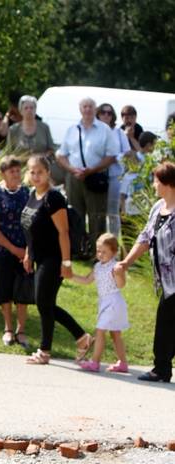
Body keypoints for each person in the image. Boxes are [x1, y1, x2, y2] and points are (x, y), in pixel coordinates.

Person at [20, 155, 92, 365]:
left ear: (48, 172)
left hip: (54, 258)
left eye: (39, 172)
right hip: (39, 257)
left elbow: (63, 232)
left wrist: (67, 263)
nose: (35, 176)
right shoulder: (32, 194)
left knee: (43, 303)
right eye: (32, 172)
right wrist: (28, 253)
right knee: (46, 304)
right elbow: (29, 227)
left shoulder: (54, 198)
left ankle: (44, 351)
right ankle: (82, 338)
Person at [116, 162, 175, 383]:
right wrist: (125, 263)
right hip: (166, 281)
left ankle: (161, 369)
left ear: (167, 183)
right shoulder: (157, 207)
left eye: (156, 181)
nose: (153, 184)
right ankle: (162, 368)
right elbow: (144, 238)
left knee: (165, 323)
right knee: (168, 323)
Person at [55, 97, 118, 250]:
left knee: (97, 216)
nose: (87, 109)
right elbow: (60, 154)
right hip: (74, 177)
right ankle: (78, 248)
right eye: (85, 106)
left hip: (95, 178)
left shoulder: (104, 129)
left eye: (90, 106)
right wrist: (72, 169)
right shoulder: (72, 129)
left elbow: (112, 156)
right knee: (75, 214)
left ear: (95, 109)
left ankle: (98, 251)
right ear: (80, 109)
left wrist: (92, 170)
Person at [0, 155, 31, 348]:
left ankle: (21, 330)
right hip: (3, 251)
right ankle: (8, 329)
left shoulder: (27, 193)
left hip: (25, 252)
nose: (16, 174)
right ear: (2, 173)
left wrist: (27, 251)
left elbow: (32, 224)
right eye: (12, 171)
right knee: (5, 291)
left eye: (18, 170)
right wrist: (14, 249)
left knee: (23, 292)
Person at [70, 233, 129, 373]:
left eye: (104, 252)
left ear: (114, 252)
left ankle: (95, 362)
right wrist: (70, 275)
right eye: (98, 251)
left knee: (100, 331)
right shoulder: (97, 266)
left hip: (114, 302)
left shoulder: (116, 266)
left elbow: (121, 285)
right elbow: (86, 280)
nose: (100, 254)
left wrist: (119, 274)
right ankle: (123, 364)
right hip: (105, 303)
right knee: (115, 334)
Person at [96, 102, 131, 236]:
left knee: (113, 212)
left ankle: (113, 245)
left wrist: (115, 157)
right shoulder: (93, 132)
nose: (106, 115)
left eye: (109, 113)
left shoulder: (118, 132)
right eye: (103, 112)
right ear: (98, 115)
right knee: (97, 212)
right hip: (96, 175)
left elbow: (127, 154)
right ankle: (98, 245)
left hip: (114, 175)